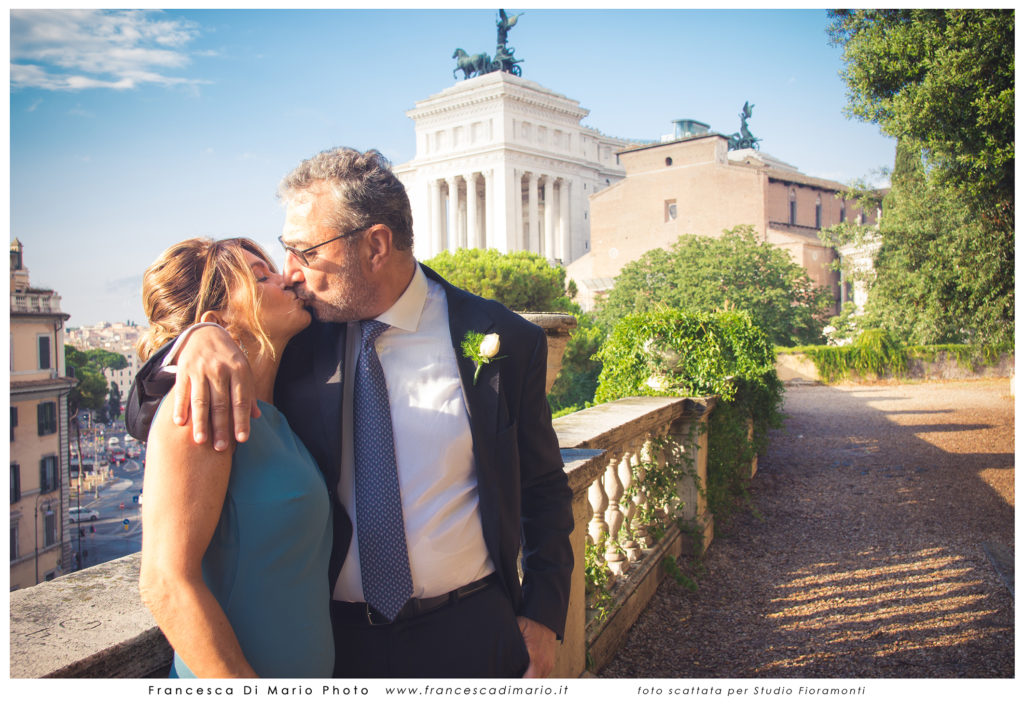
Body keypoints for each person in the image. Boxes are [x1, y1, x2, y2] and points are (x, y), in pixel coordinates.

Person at [126, 147, 574, 678]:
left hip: (474, 632)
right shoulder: (296, 336)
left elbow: (543, 487)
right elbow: (150, 415)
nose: (290, 272)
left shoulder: (504, 340)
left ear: (376, 246)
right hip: (337, 648)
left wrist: (543, 617)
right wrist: (197, 338)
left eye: (303, 250)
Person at [136, 238, 333, 678]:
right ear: (217, 320)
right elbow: (165, 582)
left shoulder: (275, 413)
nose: (288, 278)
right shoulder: (199, 406)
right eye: (261, 277)